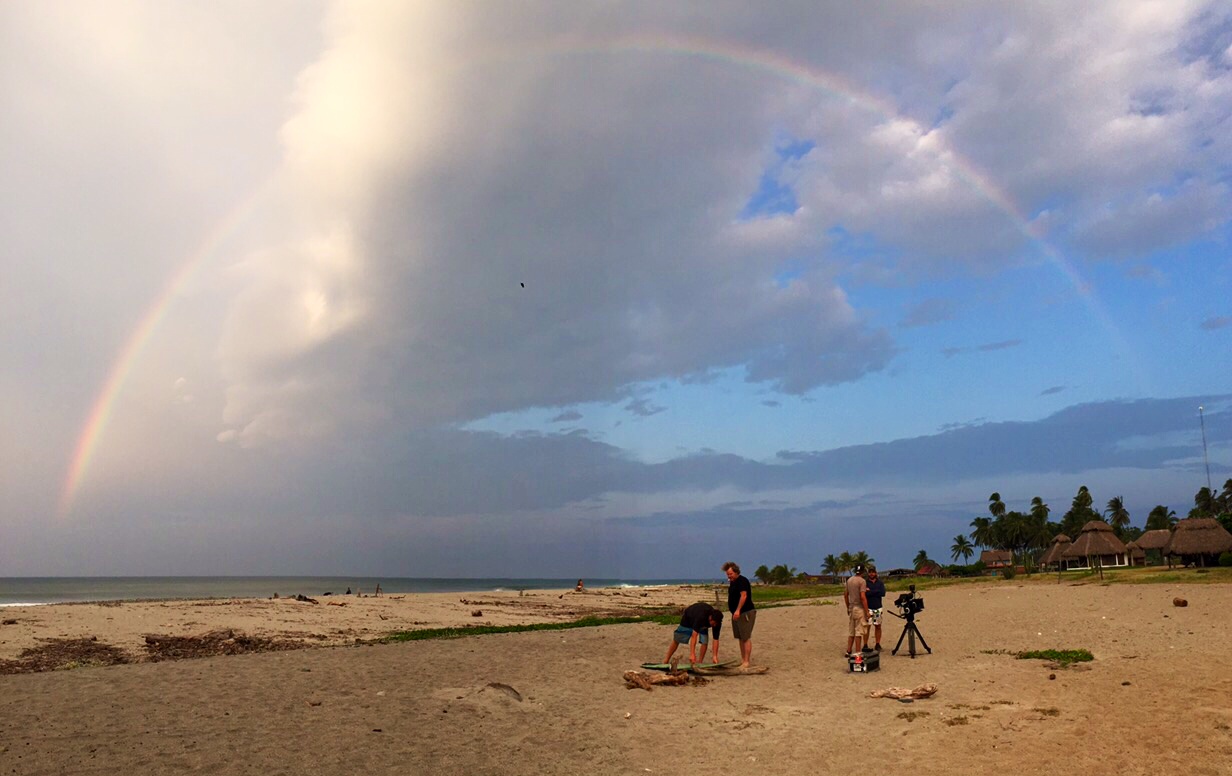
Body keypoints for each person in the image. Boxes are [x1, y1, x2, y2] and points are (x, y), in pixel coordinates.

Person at [664, 601, 723, 666]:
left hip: (702, 621)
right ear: (710, 618)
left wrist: (715, 656)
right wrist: (692, 654)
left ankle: (700, 663)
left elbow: (716, 640)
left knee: (704, 641)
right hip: (689, 617)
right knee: (677, 638)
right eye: (713, 623)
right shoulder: (701, 617)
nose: (714, 625)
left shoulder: (717, 623)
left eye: (716, 624)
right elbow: (694, 636)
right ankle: (666, 660)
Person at [722, 561, 756, 668]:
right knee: (740, 637)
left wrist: (738, 610)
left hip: (745, 612)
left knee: (745, 637)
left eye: (730, 574)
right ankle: (743, 660)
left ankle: (746, 661)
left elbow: (744, 596)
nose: (729, 576)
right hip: (736, 614)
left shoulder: (742, 581)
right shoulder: (733, 582)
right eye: (728, 574)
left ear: (736, 572)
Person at [843, 563, 870, 657]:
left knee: (851, 631)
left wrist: (848, 606)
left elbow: (845, 595)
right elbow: (863, 597)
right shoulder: (862, 581)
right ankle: (858, 651)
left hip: (851, 607)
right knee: (859, 631)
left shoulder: (849, 580)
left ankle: (848, 650)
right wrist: (867, 611)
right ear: (863, 571)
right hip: (859, 608)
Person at [864, 566, 886, 651]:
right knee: (867, 627)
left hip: (878, 608)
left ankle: (877, 643)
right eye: (870, 572)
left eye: (873, 572)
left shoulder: (880, 583)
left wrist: (871, 591)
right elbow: (865, 594)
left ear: (876, 573)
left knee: (878, 626)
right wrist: (876, 591)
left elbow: (883, 593)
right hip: (868, 608)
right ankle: (865, 644)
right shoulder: (865, 583)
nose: (871, 574)